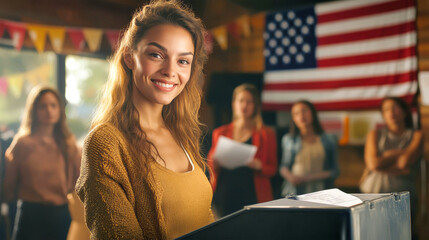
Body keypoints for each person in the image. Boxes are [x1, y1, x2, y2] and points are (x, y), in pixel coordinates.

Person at [75, 1, 213, 239]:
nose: (170, 71)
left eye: (183, 61)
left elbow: (202, 218)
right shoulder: (105, 144)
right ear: (129, 57)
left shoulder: (180, 133)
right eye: (156, 54)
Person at [3, 85, 81, 240]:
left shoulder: (68, 143)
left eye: (53, 105)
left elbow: (78, 181)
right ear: (34, 110)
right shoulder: (22, 143)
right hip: (30, 215)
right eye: (42, 106)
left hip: (61, 214)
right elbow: (9, 184)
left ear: (60, 109)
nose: (49, 110)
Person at [207, 83, 277, 217]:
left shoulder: (266, 134)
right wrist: (213, 163)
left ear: (255, 105)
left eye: (249, 102)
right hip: (224, 195)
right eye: (241, 100)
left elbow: (272, 169)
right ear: (234, 104)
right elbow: (211, 165)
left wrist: (259, 165)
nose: (244, 105)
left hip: (253, 195)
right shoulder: (220, 132)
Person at [360, 97, 423, 233]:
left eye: (395, 108)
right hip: (371, 196)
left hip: (402, 200)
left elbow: (403, 162)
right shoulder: (375, 134)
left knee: (401, 233)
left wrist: (385, 158)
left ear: (405, 112)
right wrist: (398, 153)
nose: (391, 112)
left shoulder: (416, 135)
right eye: (386, 110)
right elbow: (373, 164)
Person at [279, 100, 339, 196]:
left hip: (321, 191)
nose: (301, 116)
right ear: (293, 119)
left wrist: (307, 178)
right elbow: (283, 166)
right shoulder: (289, 139)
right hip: (295, 192)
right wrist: (291, 177)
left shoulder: (328, 139)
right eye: (296, 113)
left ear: (313, 113)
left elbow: (334, 171)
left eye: (304, 111)